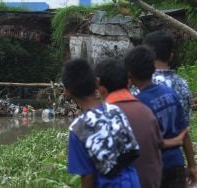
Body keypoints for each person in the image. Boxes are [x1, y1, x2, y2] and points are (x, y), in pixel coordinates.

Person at [95, 58, 188, 188]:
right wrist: (177, 141)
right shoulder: (145, 110)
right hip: (164, 171)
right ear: (128, 81)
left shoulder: (99, 118)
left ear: (98, 84)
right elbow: (157, 144)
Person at [124, 46, 196, 188]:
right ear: (153, 68)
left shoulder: (138, 104)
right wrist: (192, 165)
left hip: (154, 169)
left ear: (130, 74)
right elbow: (185, 132)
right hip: (176, 163)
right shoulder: (170, 93)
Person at [63, 58, 140, 187]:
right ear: (97, 82)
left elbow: (88, 177)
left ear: (68, 92)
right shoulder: (116, 110)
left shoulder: (78, 129)